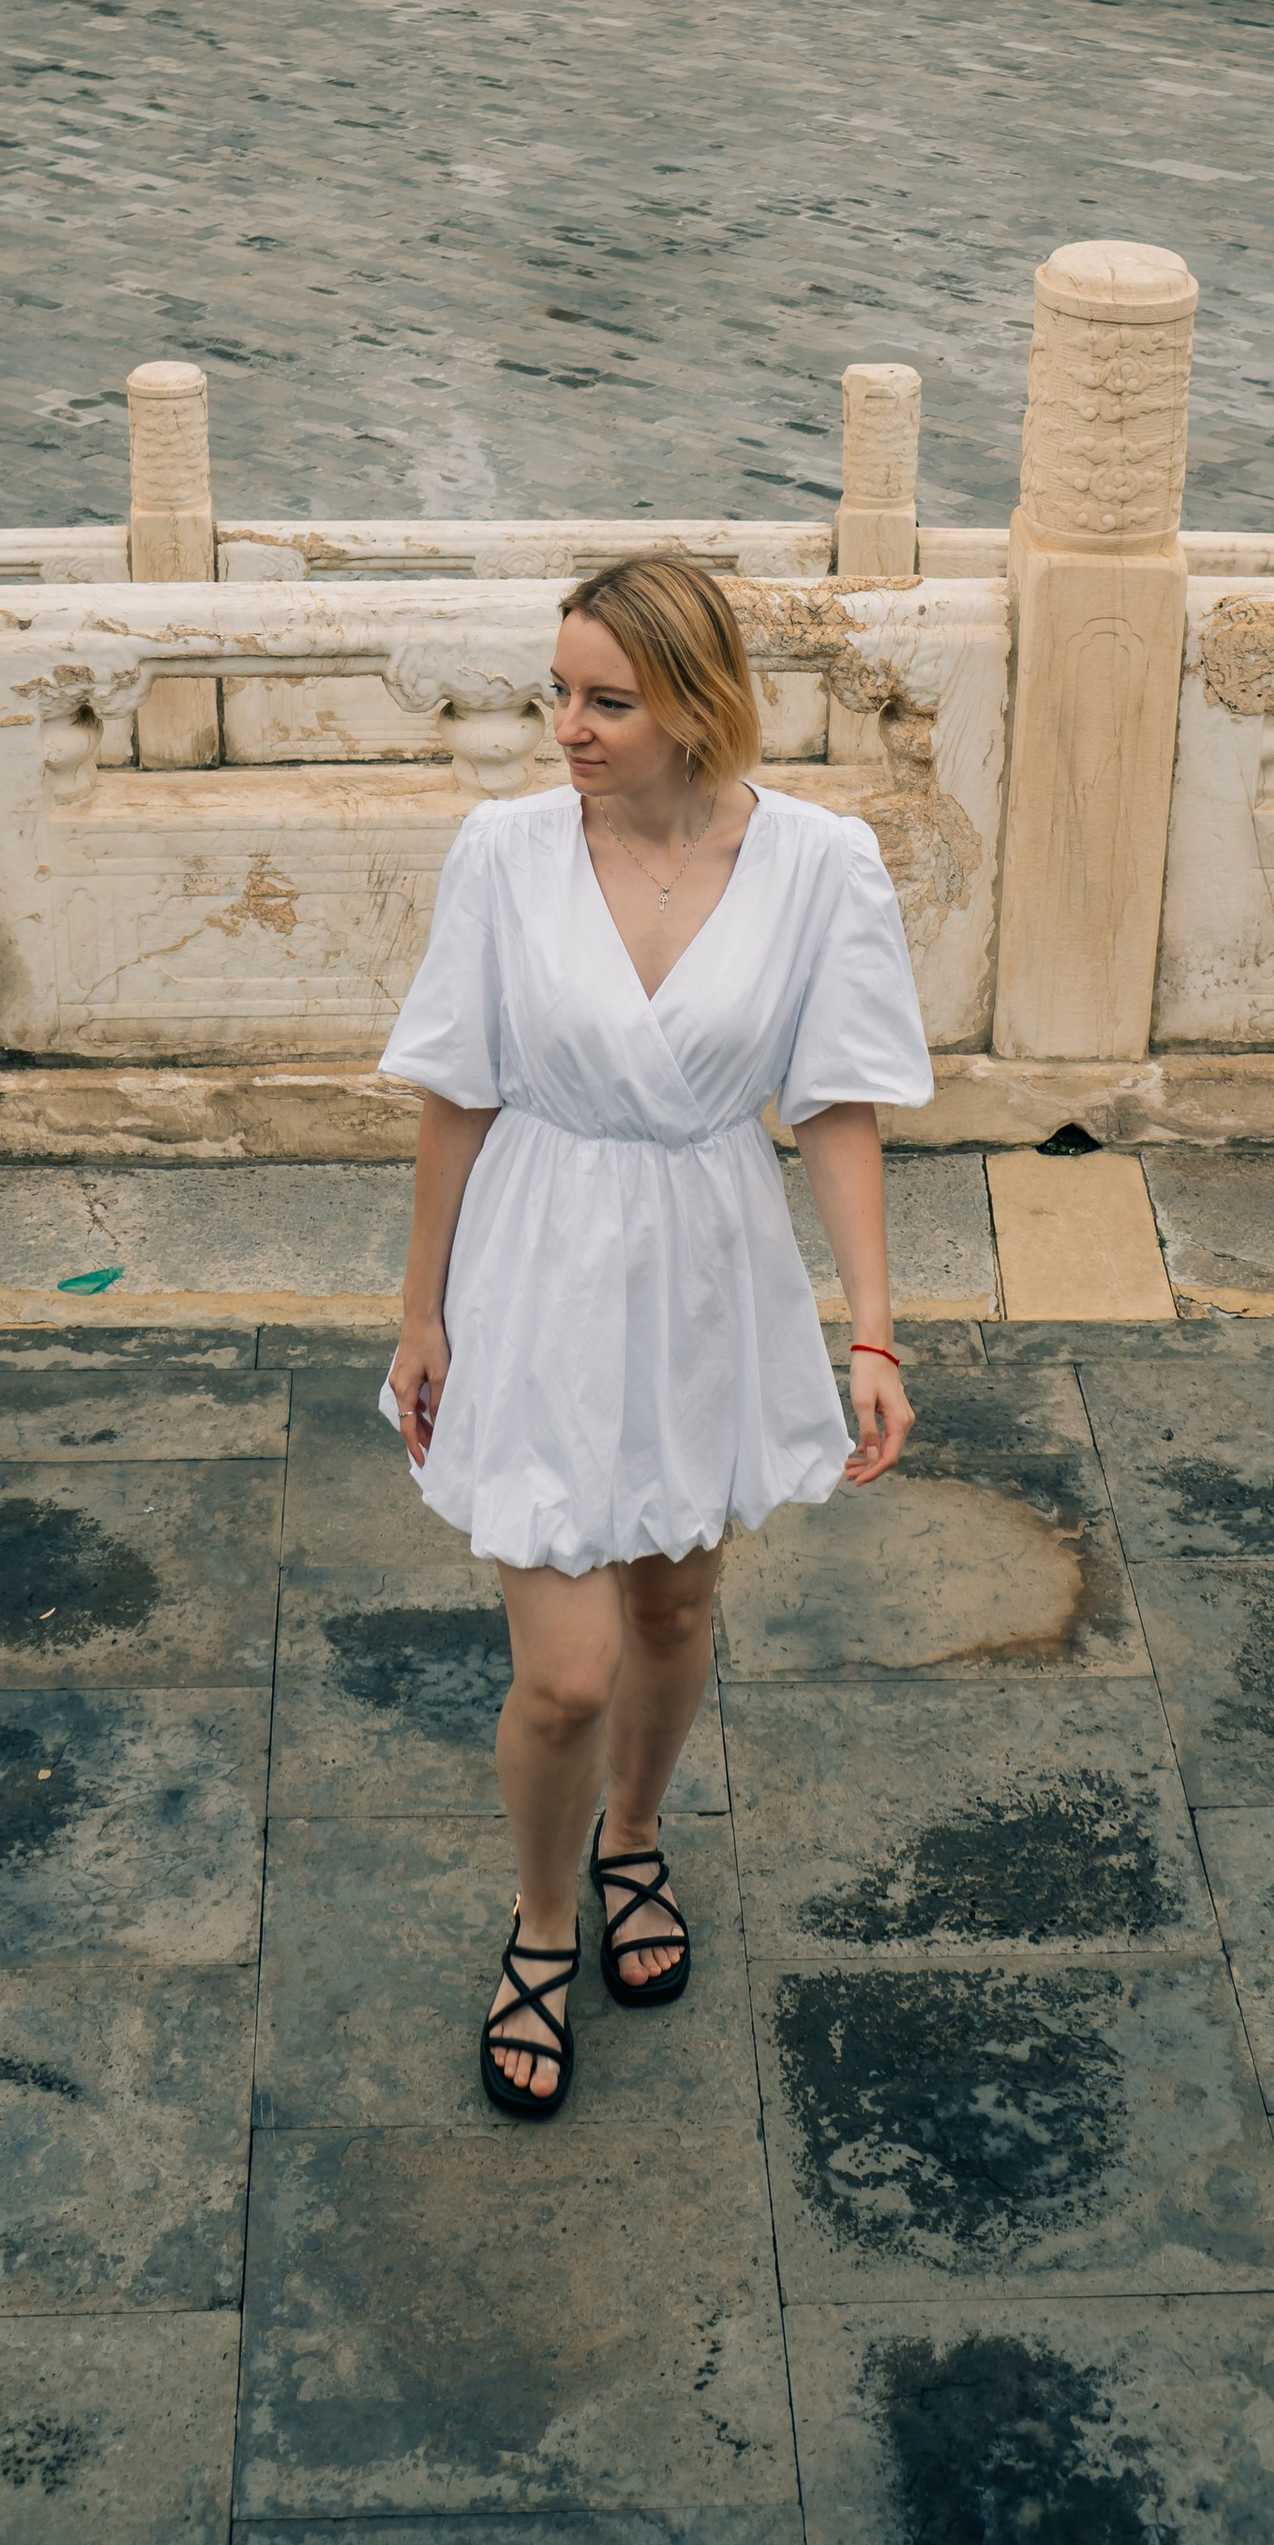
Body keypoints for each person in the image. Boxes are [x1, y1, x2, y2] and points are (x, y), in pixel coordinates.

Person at [379, 551, 933, 2117]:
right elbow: (455, 1088)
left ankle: (635, 1838)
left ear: (697, 708)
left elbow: (835, 1104)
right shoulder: (503, 853)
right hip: (537, 1263)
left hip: (705, 1264)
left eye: (606, 702)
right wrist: (421, 1311)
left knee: (677, 1607)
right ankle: (544, 1919)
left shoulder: (821, 864)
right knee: (565, 1673)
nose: (565, 727)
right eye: (557, 692)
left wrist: (873, 1334)